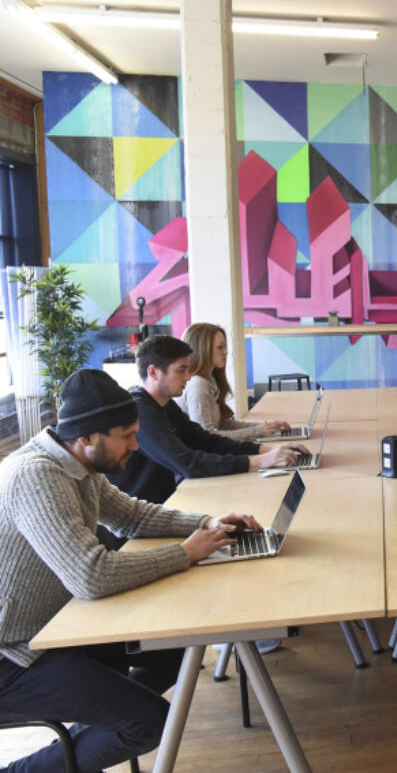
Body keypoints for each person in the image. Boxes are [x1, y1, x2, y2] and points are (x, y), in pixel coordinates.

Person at [0, 369, 261, 772]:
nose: (137, 446)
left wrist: (205, 522)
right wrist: (185, 553)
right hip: (14, 656)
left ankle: (97, 722)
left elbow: (133, 517)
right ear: (87, 436)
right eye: (127, 435)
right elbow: (91, 575)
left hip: (56, 629)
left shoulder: (78, 464)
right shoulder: (36, 475)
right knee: (148, 721)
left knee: (172, 646)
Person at [110, 335, 307, 507]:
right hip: (145, 513)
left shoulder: (164, 404)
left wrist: (265, 450)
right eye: (181, 370)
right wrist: (260, 461)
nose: (188, 377)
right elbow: (188, 464)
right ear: (153, 372)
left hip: (166, 501)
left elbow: (206, 440)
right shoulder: (140, 411)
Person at [177, 322, 292, 440]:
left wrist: (266, 426)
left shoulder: (209, 379)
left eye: (225, 347)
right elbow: (205, 437)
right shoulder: (198, 384)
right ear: (203, 349)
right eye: (220, 347)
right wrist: (257, 431)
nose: (226, 352)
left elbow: (222, 424)